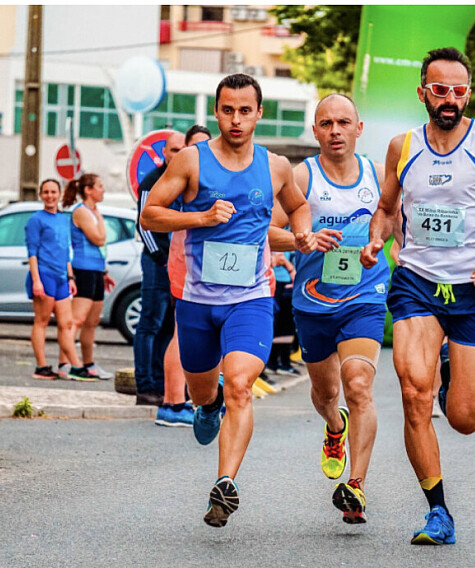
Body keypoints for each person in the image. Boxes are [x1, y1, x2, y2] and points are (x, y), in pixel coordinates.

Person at [361, 47, 475, 545]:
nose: (449, 99)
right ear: (423, 92)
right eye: (440, 90)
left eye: (458, 91)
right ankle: (437, 511)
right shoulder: (402, 147)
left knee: (463, 418)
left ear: (468, 95)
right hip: (417, 282)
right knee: (412, 393)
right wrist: (377, 238)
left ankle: (447, 369)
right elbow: (386, 209)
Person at [141, 73, 317, 528]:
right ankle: (207, 404)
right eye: (227, 110)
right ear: (216, 112)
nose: (236, 119)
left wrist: (301, 232)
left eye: (244, 110)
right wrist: (200, 217)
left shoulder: (275, 166)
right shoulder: (191, 160)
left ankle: (224, 483)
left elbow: (298, 206)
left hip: (251, 299)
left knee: (240, 384)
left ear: (259, 114)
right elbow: (150, 214)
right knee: (204, 390)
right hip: (197, 301)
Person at [269, 93, 390, 524]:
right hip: (313, 301)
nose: (335, 130)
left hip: (365, 296)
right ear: (316, 131)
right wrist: (302, 240)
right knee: (326, 394)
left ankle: (356, 485)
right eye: (326, 123)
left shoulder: (378, 174)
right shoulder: (302, 176)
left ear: (359, 128)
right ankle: (335, 427)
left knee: (358, 385)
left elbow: (395, 220)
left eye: (343, 122)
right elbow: (269, 230)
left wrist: (380, 241)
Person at [151, 126, 214, 425]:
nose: (201, 151)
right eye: (195, 145)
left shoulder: (207, 171)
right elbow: (150, 216)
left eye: (206, 145)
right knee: (181, 332)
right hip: (187, 258)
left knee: (203, 332)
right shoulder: (182, 172)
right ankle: (173, 404)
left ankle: (197, 400)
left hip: (209, 259)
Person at [134, 131, 186, 407]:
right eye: (174, 150)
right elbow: (145, 225)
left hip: (176, 264)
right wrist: (162, 258)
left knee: (168, 326)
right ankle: (144, 386)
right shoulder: (152, 181)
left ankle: (161, 383)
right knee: (150, 324)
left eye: (182, 150)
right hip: (158, 263)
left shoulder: (182, 181)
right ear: (164, 153)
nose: (178, 154)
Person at [25, 179, 93, 381]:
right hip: (44, 275)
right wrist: (36, 281)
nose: (50, 196)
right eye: (46, 192)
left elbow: (65, 251)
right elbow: (32, 253)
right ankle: (41, 366)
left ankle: (75, 366)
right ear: (40, 195)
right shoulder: (36, 220)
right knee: (42, 321)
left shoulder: (64, 219)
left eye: (53, 192)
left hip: (62, 278)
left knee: (67, 323)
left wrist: (70, 277)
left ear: (59, 194)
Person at [60, 173, 116, 380]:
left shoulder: (93, 211)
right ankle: (66, 364)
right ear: (88, 190)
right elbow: (99, 239)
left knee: (92, 322)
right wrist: (99, 217)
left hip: (96, 270)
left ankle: (89, 363)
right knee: (76, 320)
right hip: (83, 269)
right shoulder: (82, 211)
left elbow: (101, 246)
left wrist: (104, 272)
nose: (103, 190)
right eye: (100, 186)